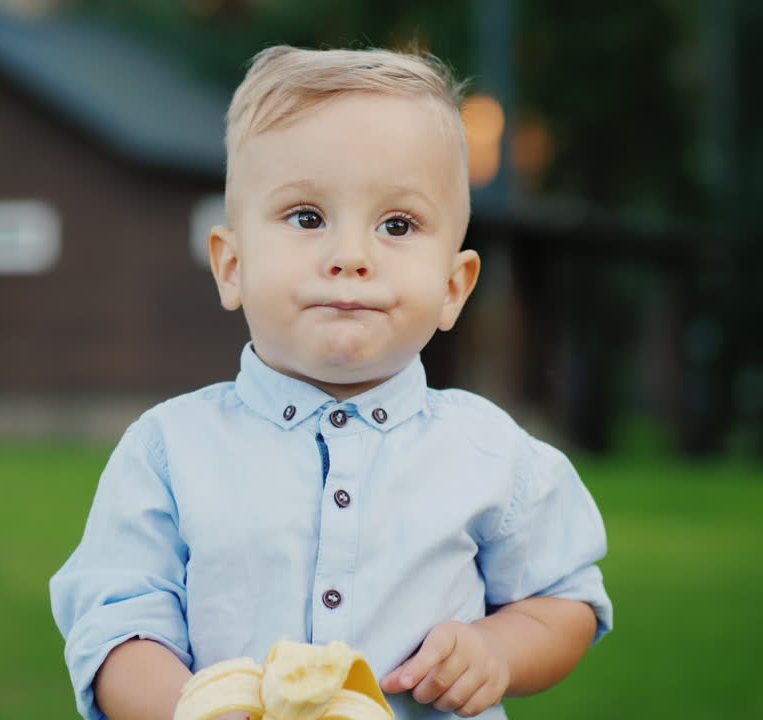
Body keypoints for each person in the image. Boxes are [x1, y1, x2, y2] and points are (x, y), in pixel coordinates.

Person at [49, 45, 611, 720]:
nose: (350, 257)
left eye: (397, 225)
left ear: (453, 287)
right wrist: (192, 708)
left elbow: (563, 601)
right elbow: (116, 629)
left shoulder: (493, 453)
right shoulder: (170, 451)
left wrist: (496, 648)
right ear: (232, 266)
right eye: (307, 218)